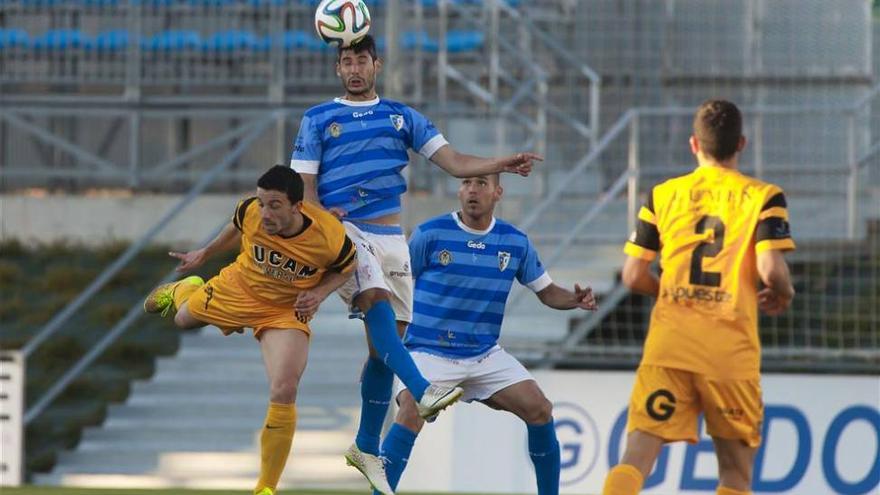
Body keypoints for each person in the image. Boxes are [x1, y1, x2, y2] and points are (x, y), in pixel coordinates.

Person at [289, 34, 542, 493]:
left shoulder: (402, 117)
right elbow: (304, 189)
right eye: (346, 61)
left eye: (361, 60)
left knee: (384, 345)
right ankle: (422, 388)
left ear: (376, 64)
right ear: (337, 69)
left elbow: (454, 161)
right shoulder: (318, 119)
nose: (354, 69)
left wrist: (503, 161)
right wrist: (324, 219)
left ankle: (366, 445)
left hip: (391, 238)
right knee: (379, 305)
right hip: (345, 231)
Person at [602, 100, 796, 495]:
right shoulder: (763, 196)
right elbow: (770, 270)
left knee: (636, 459)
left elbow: (633, 274)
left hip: (669, 346)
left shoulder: (663, 195)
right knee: (735, 477)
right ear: (741, 143)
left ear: (694, 144)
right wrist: (784, 292)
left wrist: (671, 294)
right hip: (729, 351)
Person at [372, 173, 598, 495]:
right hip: (428, 350)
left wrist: (574, 299)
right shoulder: (430, 234)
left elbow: (547, 292)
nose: (471, 190)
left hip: (482, 355)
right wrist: (388, 346)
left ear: (497, 192)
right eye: (466, 184)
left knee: (540, 409)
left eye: (480, 183)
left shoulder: (514, 242)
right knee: (410, 407)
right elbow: (398, 289)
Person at [142, 165, 359, 495]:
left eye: (274, 205)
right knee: (182, 320)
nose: (265, 212)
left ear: (297, 207)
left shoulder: (329, 238)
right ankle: (183, 290)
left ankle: (265, 488)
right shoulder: (251, 212)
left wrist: (317, 294)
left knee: (284, 389)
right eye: (261, 203)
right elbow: (236, 225)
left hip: (284, 310)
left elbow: (347, 269)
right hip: (239, 289)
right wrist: (205, 253)